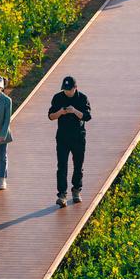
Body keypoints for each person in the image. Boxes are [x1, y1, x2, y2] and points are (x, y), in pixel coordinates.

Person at [48, 75, 92, 207]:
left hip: (78, 137)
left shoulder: (82, 98)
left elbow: (88, 116)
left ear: (75, 88)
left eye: (69, 89)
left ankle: (76, 190)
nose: (67, 92)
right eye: (65, 89)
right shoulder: (58, 97)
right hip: (62, 137)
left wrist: (74, 111)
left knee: (78, 166)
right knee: (62, 166)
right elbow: (50, 116)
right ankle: (62, 194)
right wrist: (60, 112)